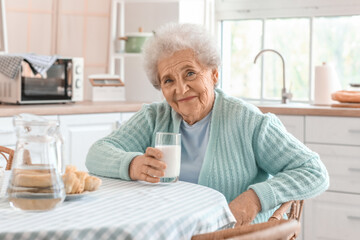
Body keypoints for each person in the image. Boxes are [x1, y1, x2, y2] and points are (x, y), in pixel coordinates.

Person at [86, 23, 329, 225]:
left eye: (190, 73)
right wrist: (132, 164)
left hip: (232, 235)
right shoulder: (155, 117)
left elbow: (313, 171)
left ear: (213, 74)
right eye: (169, 80)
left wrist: (256, 198)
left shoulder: (247, 121)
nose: (181, 89)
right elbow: (97, 154)